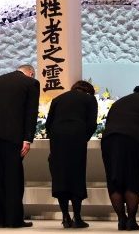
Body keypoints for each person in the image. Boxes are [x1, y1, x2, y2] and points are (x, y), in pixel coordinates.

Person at [0, 65, 41, 229]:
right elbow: (31, 112)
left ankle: (1, 218)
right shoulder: (31, 83)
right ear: (31, 73)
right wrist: (27, 139)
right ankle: (14, 220)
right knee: (13, 178)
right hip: (13, 137)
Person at [101, 86, 139, 231]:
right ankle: (131, 220)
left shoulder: (117, 103)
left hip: (109, 141)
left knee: (114, 180)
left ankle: (121, 220)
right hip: (132, 141)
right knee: (132, 180)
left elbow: (108, 124)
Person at [46, 80, 98, 229]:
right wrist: (83, 138)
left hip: (58, 139)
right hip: (77, 138)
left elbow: (48, 124)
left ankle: (65, 216)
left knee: (60, 176)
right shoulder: (89, 99)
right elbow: (92, 124)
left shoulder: (58, 99)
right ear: (88, 91)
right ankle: (78, 217)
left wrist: (56, 139)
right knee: (76, 176)